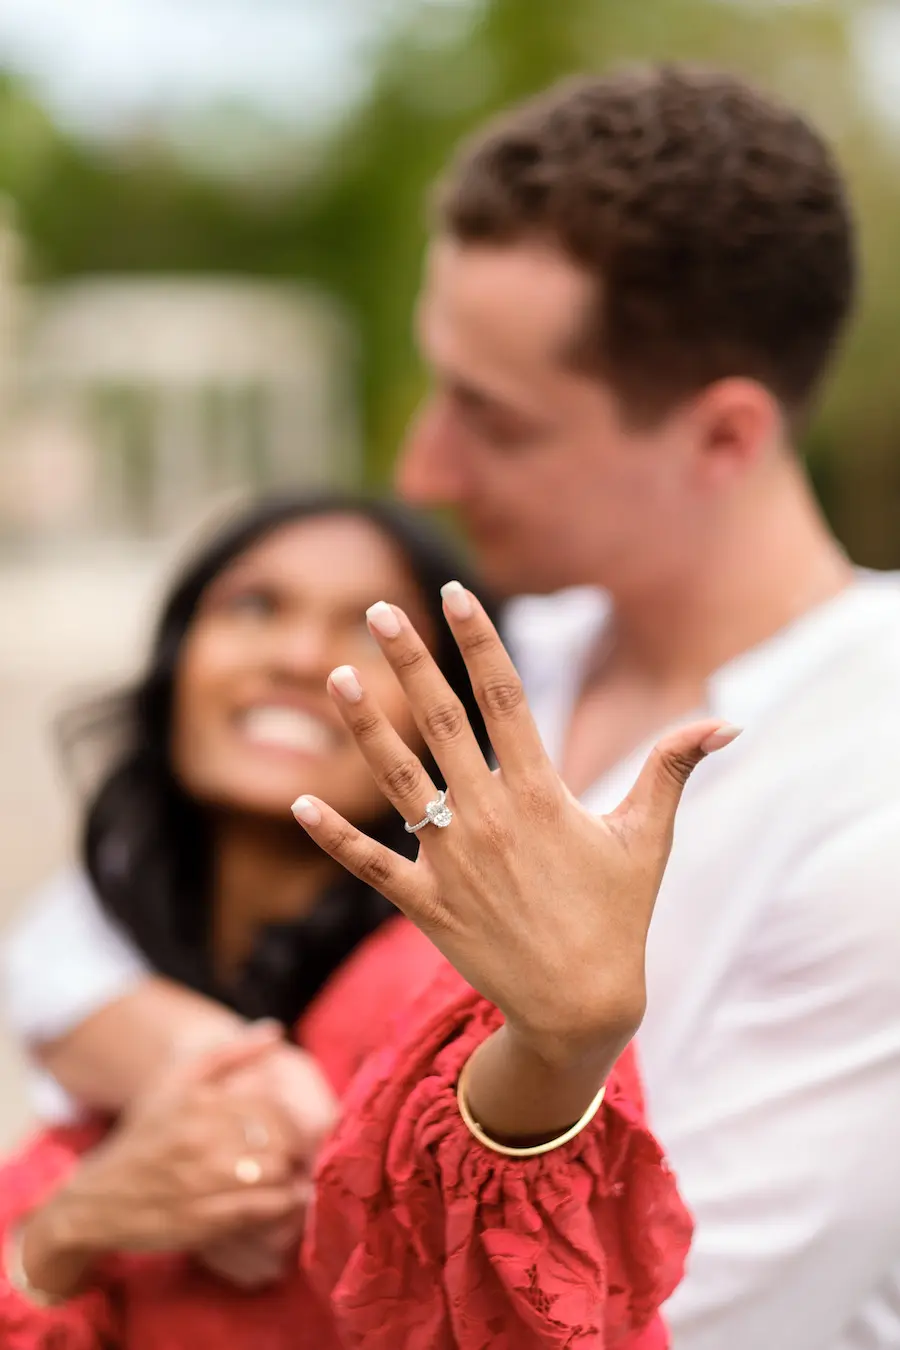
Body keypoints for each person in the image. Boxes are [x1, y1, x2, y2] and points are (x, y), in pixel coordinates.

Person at [7, 63, 900, 1350]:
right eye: (439, 382)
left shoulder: (870, 786)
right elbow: (87, 912)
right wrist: (232, 1082)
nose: (423, 467)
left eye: (494, 417)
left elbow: (700, 1319)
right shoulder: (500, 646)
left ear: (721, 437)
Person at [0, 488, 738, 1349]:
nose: (301, 655)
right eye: (255, 606)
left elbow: (495, 1191)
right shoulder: (106, 961)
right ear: (175, 664)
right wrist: (68, 1232)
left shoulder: (439, 986)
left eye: (370, 630)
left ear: (443, 723)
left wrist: (559, 1050)